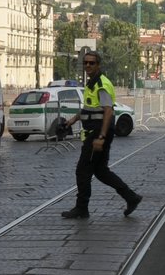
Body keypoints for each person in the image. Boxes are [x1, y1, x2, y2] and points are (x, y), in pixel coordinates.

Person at [60, 52, 143, 220]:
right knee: (101, 171)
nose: (88, 66)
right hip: (96, 132)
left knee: (82, 171)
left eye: (92, 63)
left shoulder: (101, 84)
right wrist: (71, 121)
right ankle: (131, 197)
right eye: (86, 63)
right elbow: (89, 109)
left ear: (98, 65)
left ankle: (82, 208)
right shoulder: (92, 84)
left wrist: (101, 137)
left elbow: (108, 111)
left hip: (98, 134)